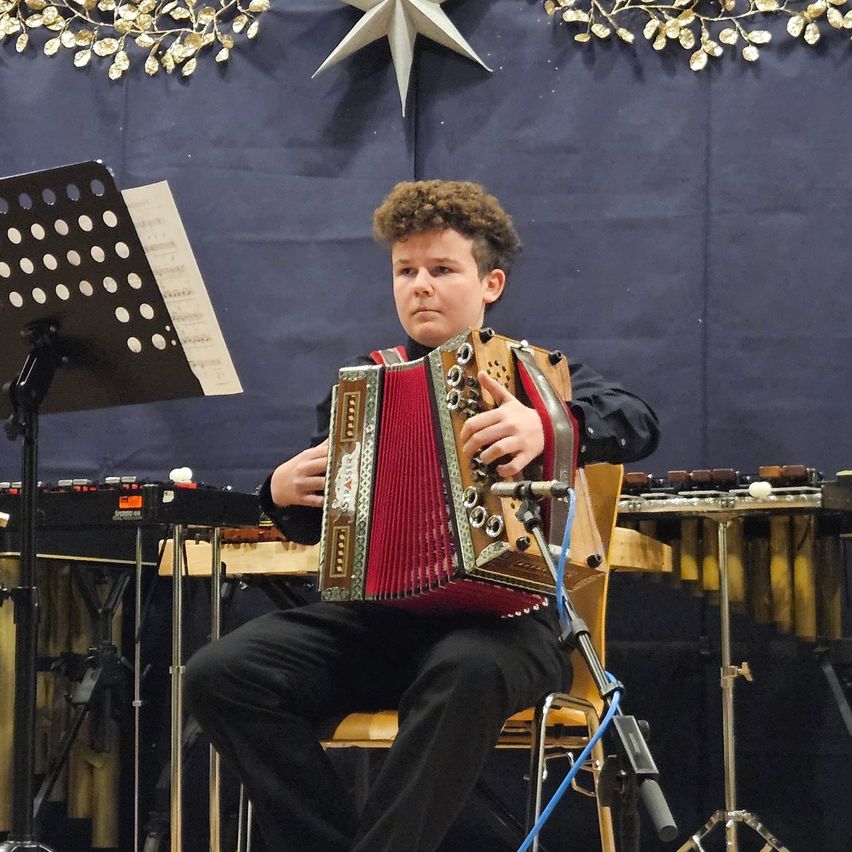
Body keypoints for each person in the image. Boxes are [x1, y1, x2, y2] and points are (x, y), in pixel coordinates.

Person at [184, 180, 660, 852]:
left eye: (442, 270)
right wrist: (278, 494)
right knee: (221, 674)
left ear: (490, 283)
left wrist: (550, 425)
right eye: (405, 271)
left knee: (464, 668)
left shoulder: (535, 375)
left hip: (510, 623)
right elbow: (332, 529)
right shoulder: (364, 385)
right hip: (383, 621)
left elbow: (638, 419)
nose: (420, 287)